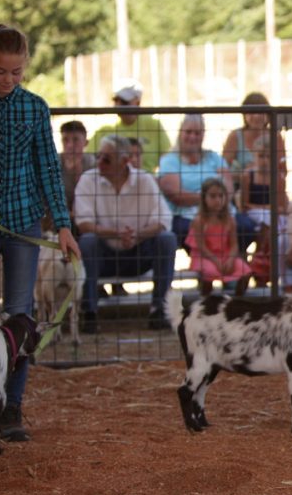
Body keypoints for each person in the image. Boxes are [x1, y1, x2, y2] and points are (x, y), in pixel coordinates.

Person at [0, 23, 80, 441]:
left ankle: (10, 409)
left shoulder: (35, 108)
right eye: (0, 72)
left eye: (16, 72)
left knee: (20, 318)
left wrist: (62, 226)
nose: (8, 80)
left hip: (26, 223)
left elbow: (49, 168)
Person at [74, 135, 177, 332]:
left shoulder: (145, 180)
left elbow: (164, 220)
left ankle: (159, 311)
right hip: (103, 256)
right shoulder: (89, 180)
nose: (99, 163)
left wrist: (137, 235)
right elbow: (83, 224)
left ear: (124, 161)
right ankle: (89, 313)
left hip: (138, 252)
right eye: (99, 156)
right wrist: (116, 233)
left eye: (106, 159)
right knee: (87, 242)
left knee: (167, 240)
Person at [158, 114, 241, 249]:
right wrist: (210, 198)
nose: (193, 137)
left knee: (244, 225)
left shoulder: (213, 157)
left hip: (220, 211)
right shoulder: (169, 160)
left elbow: (229, 188)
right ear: (180, 133)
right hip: (183, 214)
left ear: (203, 135)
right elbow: (176, 195)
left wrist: (213, 201)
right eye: (189, 132)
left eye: (197, 133)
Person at [88, 79, 172, 174]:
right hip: (111, 180)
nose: (118, 105)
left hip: (147, 179)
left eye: (124, 102)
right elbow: (89, 159)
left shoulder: (153, 125)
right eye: (116, 100)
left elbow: (167, 157)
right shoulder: (105, 127)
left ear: (137, 103)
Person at [187, 178, 252, 296]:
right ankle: (205, 304)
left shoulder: (230, 220)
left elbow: (234, 244)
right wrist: (216, 260)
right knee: (208, 274)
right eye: (212, 196)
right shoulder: (199, 221)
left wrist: (231, 259)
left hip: (225, 256)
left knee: (246, 272)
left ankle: (236, 301)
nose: (217, 200)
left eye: (221, 196)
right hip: (205, 257)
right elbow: (201, 247)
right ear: (204, 198)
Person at [239, 132, 289, 284]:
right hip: (254, 214)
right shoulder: (248, 176)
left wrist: (269, 209)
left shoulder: (278, 177)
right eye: (261, 156)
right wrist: (268, 208)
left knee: (275, 228)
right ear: (254, 155)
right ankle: (259, 264)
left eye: (268, 157)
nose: (265, 161)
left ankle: (262, 266)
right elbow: (244, 205)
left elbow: (282, 206)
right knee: (267, 219)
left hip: (274, 215)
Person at [220, 91, 288, 190]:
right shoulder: (235, 136)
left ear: (268, 115)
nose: (256, 116)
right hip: (239, 190)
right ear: (244, 114)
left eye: (261, 112)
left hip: (269, 190)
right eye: (251, 112)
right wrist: (246, 175)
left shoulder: (276, 137)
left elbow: (283, 170)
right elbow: (223, 169)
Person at [59, 120, 96, 213]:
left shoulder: (92, 164)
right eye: (65, 140)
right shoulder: (53, 163)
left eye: (75, 140)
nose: (70, 145)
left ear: (86, 142)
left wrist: (78, 174)